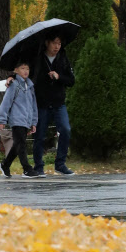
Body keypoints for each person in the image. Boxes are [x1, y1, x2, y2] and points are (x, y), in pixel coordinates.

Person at [31, 35, 75, 176]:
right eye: (54, 43)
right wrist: (11, 78)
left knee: (65, 129)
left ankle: (60, 164)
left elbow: (71, 80)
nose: (57, 47)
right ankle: (38, 166)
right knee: (40, 135)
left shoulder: (62, 58)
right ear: (47, 43)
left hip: (58, 103)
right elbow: (26, 72)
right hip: (42, 103)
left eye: (60, 43)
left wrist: (58, 77)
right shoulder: (38, 58)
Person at [0, 60, 39, 178]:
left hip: (26, 120)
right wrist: (2, 120)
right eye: (22, 68)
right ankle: (27, 169)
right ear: (16, 70)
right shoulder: (14, 85)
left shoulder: (30, 86)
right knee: (21, 144)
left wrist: (33, 122)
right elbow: (6, 102)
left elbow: (33, 106)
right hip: (16, 119)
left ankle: (5, 164)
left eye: (27, 69)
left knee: (17, 145)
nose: (25, 71)